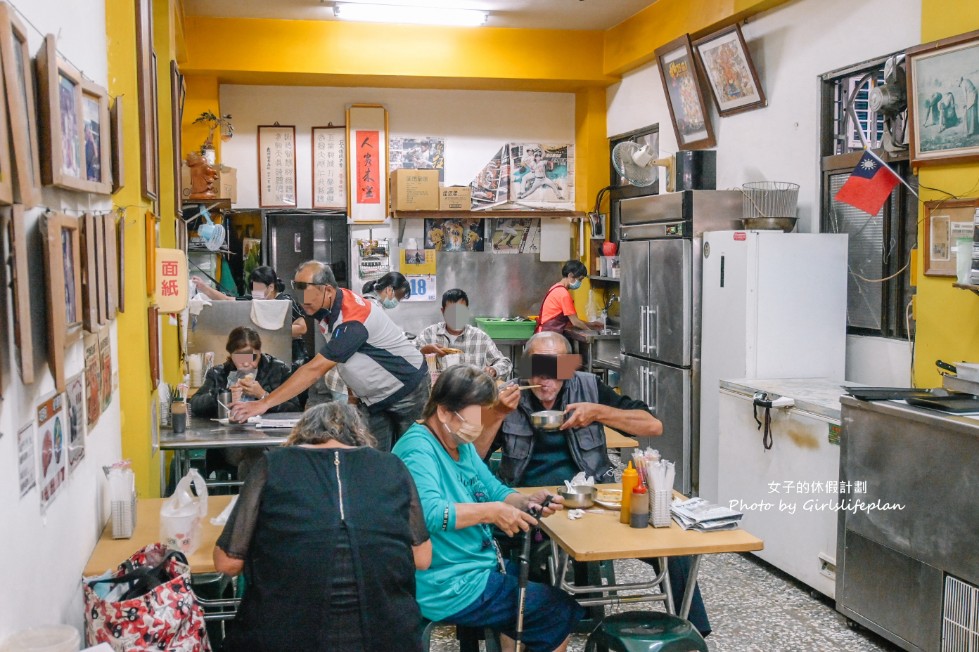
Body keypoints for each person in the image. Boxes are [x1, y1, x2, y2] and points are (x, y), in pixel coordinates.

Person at [477, 331, 712, 637]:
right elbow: (474, 458)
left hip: (594, 500)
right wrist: (495, 414)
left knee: (673, 549)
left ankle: (693, 635)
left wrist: (599, 412)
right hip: (534, 503)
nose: (546, 382)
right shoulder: (510, 397)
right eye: (538, 371)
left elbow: (653, 425)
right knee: (531, 556)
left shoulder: (588, 387)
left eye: (556, 371)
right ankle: (544, 623)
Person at [392, 366, 583, 652]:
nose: (480, 424)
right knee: (555, 611)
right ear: (444, 411)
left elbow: (491, 489)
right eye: (476, 414)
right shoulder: (418, 450)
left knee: (538, 589)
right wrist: (491, 512)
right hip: (446, 583)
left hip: (476, 566)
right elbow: (430, 513)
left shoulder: (459, 443)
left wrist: (525, 502)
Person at [213, 403, 432, 652]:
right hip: (389, 636)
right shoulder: (393, 467)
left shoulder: (272, 465)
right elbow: (422, 558)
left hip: (283, 636)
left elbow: (227, 563)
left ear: (302, 433)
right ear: (358, 434)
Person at [231, 261, 429, 451]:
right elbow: (353, 362)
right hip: (374, 398)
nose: (300, 297)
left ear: (327, 289)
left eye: (305, 288)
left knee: (411, 454)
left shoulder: (352, 320)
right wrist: (354, 398)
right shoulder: (328, 310)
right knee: (371, 456)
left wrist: (263, 403)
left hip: (409, 390)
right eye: (297, 287)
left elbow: (314, 370)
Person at [189, 327, 300, 479]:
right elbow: (195, 404)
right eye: (241, 358)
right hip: (232, 441)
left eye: (252, 357)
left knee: (256, 456)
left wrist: (263, 396)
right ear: (231, 355)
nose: (247, 364)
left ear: (260, 353)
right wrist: (223, 396)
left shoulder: (278, 369)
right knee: (253, 457)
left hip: (269, 439)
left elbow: (295, 407)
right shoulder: (218, 373)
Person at [192, 266, 310, 364]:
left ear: (271, 287)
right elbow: (227, 300)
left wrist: (272, 329)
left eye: (259, 288)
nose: (255, 293)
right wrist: (204, 288)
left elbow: (302, 328)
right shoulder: (254, 301)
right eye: (253, 289)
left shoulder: (285, 302)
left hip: (293, 356)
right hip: (268, 353)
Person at [416, 288, 513, 379]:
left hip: (473, 393)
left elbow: (505, 363)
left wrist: (493, 370)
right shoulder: (429, 334)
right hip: (439, 394)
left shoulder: (480, 337)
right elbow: (406, 360)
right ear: (443, 311)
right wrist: (422, 352)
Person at [535, 260, 603, 334]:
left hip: (544, 333)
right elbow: (575, 322)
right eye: (580, 279)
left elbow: (572, 319)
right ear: (570, 275)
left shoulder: (556, 287)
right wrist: (591, 332)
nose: (580, 283)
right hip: (549, 336)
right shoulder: (563, 294)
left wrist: (591, 324)